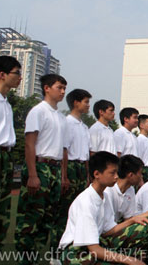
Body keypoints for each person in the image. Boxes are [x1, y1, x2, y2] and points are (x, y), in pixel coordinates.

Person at [15, 74, 69, 263]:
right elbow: (30, 144)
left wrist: (63, 176)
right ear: (47, 88)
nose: (62, 92)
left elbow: (63, 150)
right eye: (59, 87)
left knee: (48, 218)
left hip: (55, 169)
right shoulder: (38, 111)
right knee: (31, 217)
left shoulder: (61, 118)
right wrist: (32, 174)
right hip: (40, 166)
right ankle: (25, 259)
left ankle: (37, 257)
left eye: (64, 88)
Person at [58, 152, 147, 265]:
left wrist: (132, 221)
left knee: (136, 232)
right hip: (75, 251)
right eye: (112, 173)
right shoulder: (86, 202)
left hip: (95, 244)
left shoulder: (104, 196)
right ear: (96, 174)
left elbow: (108, 230)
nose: (116, 176)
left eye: (116, 172)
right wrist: (129, 260)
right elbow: (94, 249)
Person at [55, 89, 92, 248]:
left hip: (82, 169)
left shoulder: (84, 127)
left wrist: (88, 175)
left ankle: (75, 246)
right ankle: (58, 248)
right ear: (76, 103)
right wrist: (64, 176)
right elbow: (64, 150)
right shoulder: (67, 122)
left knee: (80, 208)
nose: (88, 105)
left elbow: (86, 153)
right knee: (65, 211)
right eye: (86, 102)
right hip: (70, 166)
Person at [0, 55, 21, 259]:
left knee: (2, 213)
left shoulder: (6, 103)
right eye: (16, 73)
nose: (19, 77)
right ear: (2, 75)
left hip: (5, 157)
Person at [136, 114, 148, 183]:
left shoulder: (147, 140)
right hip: (145, 171)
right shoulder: (140, 140)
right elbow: (139, 158)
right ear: (142, 125)